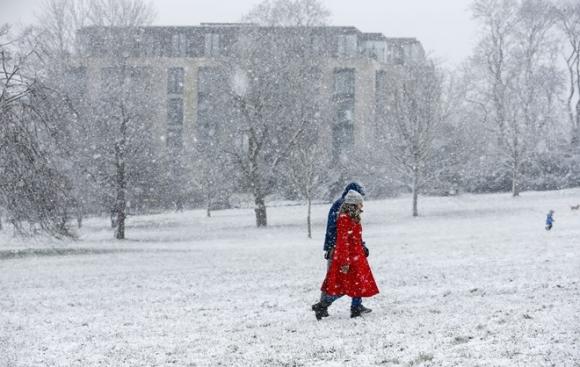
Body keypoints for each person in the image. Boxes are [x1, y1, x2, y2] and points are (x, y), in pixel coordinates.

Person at [312, 190, 379, 319]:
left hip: (357, 256)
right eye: (360, 203)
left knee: (358, 283)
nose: (362, 206)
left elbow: (356, 237)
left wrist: (362, 247)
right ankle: (322, 305)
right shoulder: (344, 219)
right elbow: (343, 242)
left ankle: (355, 308)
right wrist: (345, 262)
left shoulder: (354, 216)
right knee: (343, 287)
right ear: (353, 204)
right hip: (349, 257)